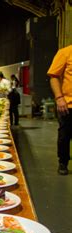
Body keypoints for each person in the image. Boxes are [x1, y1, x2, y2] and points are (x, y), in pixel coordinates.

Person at [47, 46, 72, 175]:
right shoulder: (65, 53)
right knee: (65, 135)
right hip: (68, 105)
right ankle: (63, 162)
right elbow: (54, 76)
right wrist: (59, 97)